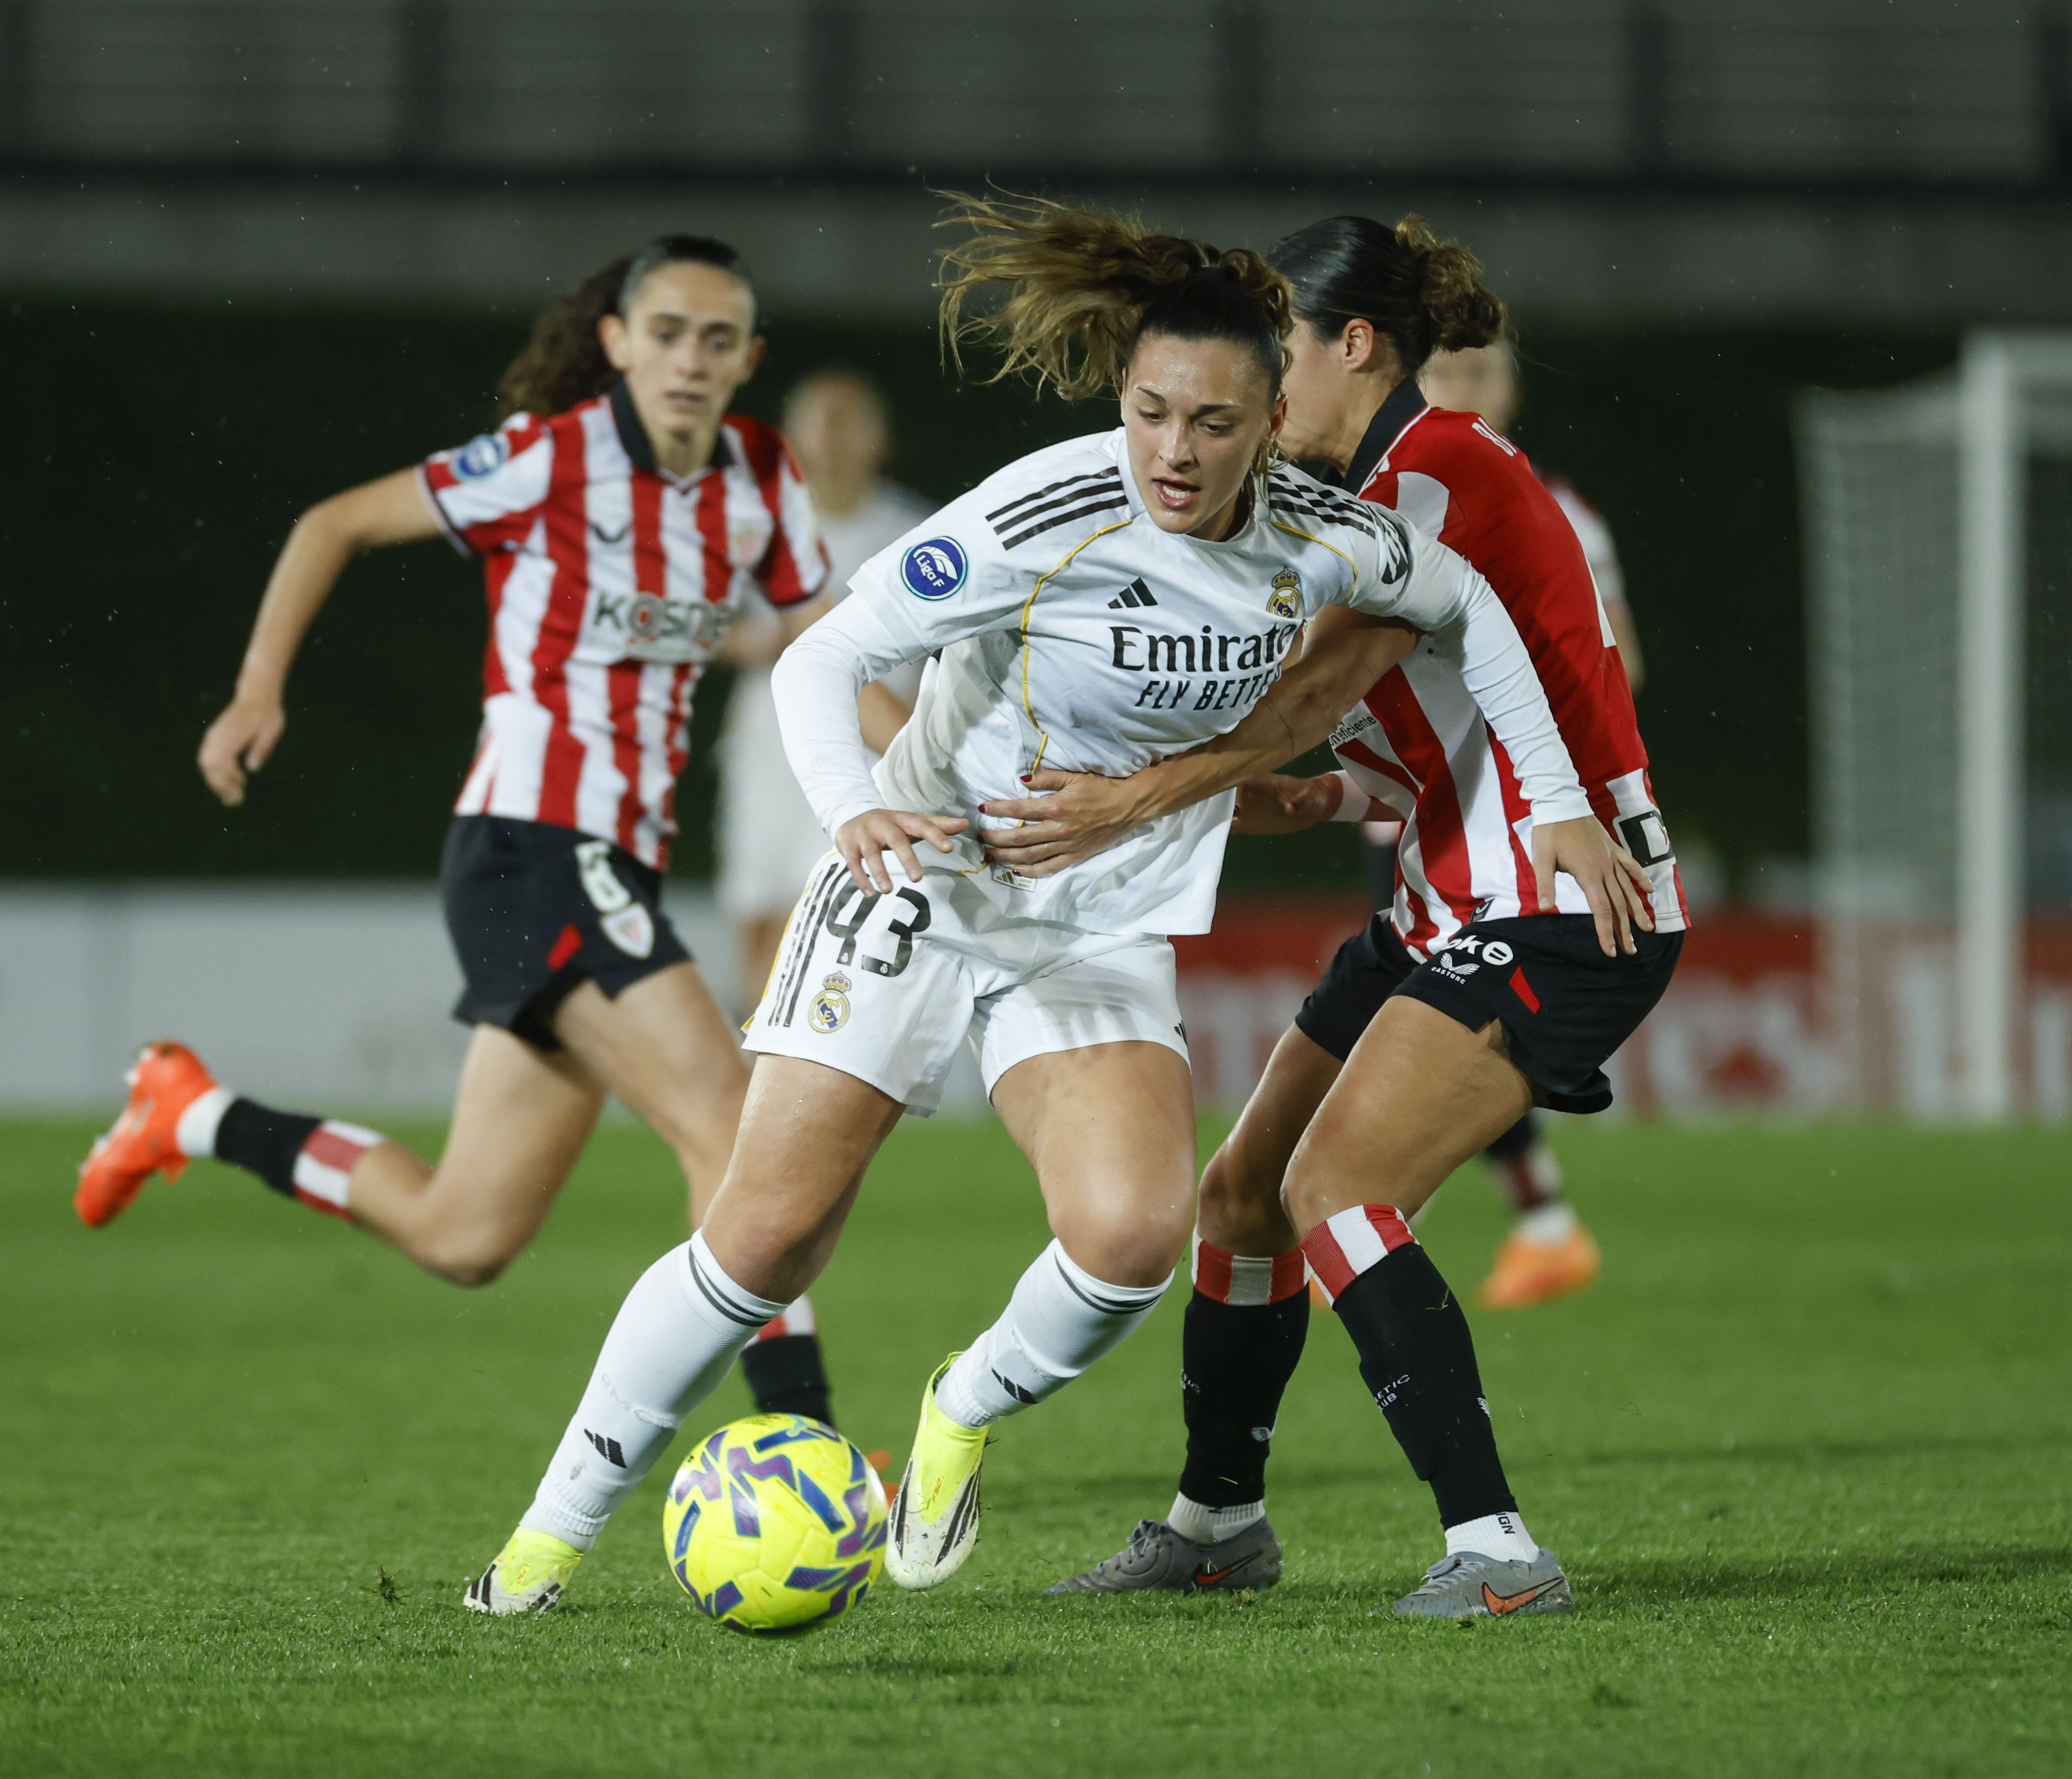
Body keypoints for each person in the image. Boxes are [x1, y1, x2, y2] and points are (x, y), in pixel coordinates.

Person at [460, 195, 1643, 1617]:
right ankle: (543, 1538)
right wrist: (856, 811)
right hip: (927, 884)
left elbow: (1479, 615)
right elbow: (816, 661)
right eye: (1148, 412)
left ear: (1272, 417)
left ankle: (954, 1406)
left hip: (1090, 928)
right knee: (762, 1232)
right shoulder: (1046, 513)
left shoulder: (1332, 535)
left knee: (1134, 1234)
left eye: (1212, 422)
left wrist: (1561, 796)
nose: (1172, 451)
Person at [984, 215, 1684, 1618]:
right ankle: (1216, 1520)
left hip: (1560, 906)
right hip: (1445, 902)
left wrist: (1138, 792)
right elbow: (1383, 737)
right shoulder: (1366, 496)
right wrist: (1294, 794)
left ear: (1351, 345)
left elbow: (1310, 688)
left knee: (1333, 1193)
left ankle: (1494, 1552)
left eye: (1276, 354)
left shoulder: (1437, 474)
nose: (1255, 383)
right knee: (1239, 1195)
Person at [72, 235, 852, 1431]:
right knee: (734, 1131)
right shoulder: (549, 460)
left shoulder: (759, 474)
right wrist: (256, 689)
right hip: (531, 844)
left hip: (605, 864)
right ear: (616, 343)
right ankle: (802, 1444)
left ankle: (192, 1111)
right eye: (664, 333)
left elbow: (826, 643)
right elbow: (330, 523)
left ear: (748, 357)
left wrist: (927, 773)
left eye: (713, 339)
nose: (687, 359)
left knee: (464, 1233)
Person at [1411, 335, 1648, 1302]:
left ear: (1511, 386)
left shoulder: (1560, 518)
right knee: (1428, 1020)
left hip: (1512, 823)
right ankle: (1533, 1219)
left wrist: (1516, 748)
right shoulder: (1399, 506)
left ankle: (1375, 1209)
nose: (1465, 390)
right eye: (1446, 373)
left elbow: (1616, 666)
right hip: (1418, 818)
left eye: (1482, 373)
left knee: (1455, 1021)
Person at [714, 370, 929, 1003]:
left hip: (872, 746)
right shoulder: (753, 528)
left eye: (849, 420)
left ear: (881, 438)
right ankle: (754, 1077)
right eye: (819, 419)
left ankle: (812, 1069)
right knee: (758, 916)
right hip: (768, 745)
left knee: (836, 911)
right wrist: (764, 641)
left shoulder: (914, 528)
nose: (832, 437)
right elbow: (701, 626)